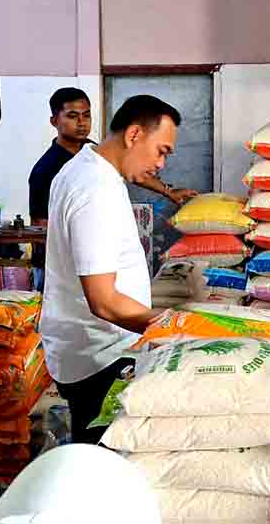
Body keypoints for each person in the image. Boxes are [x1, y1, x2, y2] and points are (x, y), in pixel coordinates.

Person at [39, 95, 182, 445]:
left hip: (95, 347)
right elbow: (103, 301)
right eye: (161, 150)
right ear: (134, 135)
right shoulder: (94, 190)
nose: (162, 163)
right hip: (99, 358)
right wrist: (176, 329)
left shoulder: (87, 168)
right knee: (103, 468)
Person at [28, 88, 196, 288]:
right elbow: (43, 225)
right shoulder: (54, 171)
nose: (81, 123)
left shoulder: (93, 153)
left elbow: (136, 173)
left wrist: (168, 191)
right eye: (73, 116)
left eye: (86, 115)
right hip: (67, 270)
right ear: (54, 121)